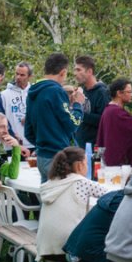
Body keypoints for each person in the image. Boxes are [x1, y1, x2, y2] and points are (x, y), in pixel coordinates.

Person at [34, 147, 110, 262]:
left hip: (46, 249)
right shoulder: (81, 182)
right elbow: (110, 195)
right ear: (80, 165)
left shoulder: (51, 183)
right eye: (86, 163)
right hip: (68, 250)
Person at [24, 53, 84, 183]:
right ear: (63, 72)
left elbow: (28, 130)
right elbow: (73, 124)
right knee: (61, 200)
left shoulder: (32, 93)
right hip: (58, 157)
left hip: (41, 156)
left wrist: (42, 143)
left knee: (47, 198)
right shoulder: (56, 91)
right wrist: (78, 105)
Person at [96, 78, 132, 167]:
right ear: (119, 93)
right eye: (129, 92)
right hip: (118, 164)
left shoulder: (109, 110)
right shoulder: (115, 112)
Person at [73, 56, 110, 147]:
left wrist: (80, 114)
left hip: (95, 148)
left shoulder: (102, 92)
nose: (75, 73)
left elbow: (105, 120)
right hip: (80, 145)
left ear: (89, 71)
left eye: (78, 70)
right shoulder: (83, 91)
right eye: (75, 70)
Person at [1, 62, 33, 151]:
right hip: (12, 145)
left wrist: (30, 117)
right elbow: (0, 119)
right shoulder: (4, 95)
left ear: (30, 77)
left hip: (33, 144)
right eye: (17, 74)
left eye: (22, 75)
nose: (18, 77)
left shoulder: (35, 93)